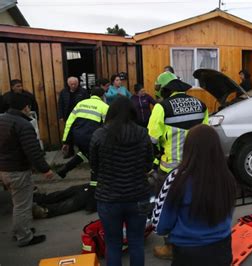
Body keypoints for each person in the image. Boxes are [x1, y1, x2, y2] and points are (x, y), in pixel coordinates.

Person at [156, 124, 236, 266]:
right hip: (222, 249)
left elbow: (162, 224)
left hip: (187, 253)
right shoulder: (227, 177)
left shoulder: (177, 178)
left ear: (188, 148)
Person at [148, 72, 208, 259]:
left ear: (165, 89)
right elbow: (205, 133)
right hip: (196, 167)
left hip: (170, 169)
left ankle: (171, 248)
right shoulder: (200, 104)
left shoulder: (161, 107)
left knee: (168, 207)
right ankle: (196, 242)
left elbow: (152, 138)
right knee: (194, 205)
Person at [90, 96, 153, 266]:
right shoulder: (142, 133)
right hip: (139, 196)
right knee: (137, 242)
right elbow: (148, 164)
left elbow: (94, 166)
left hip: (108, 198)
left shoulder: (99, 135)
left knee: (112, 243)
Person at [0, 93, 54, 247]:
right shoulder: (23, 125)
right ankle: (24, 237)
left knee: (18, 202)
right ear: (26, 107)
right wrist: (45, 169)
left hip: (4, 169)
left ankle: (20, 230)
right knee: (22, 205)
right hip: (17, 170)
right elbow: (32, 151)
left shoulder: (2, 119)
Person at [57, 88, 108, 182]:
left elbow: (69, 123)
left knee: (85, 153)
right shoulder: (104, 106)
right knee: (95, 162)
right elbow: (107, 126)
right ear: (102, 96)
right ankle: (94, 186)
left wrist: (66, 141)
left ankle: (65, 169)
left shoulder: (80, 104)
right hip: (92, 138)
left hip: (78, 137)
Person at [58, 76, 89, 158]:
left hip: (80, 116)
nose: (73, 86)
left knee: (81, 134)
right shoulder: (63, 92)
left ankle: (82, 153)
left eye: (75, 84)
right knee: (68, 134)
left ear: (78, 83)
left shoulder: (83, 92)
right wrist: (61, 116)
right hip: (68, 116)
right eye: (71, 84)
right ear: (68, 84)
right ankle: (70, 152)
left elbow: (87, 103)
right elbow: (60, 104)